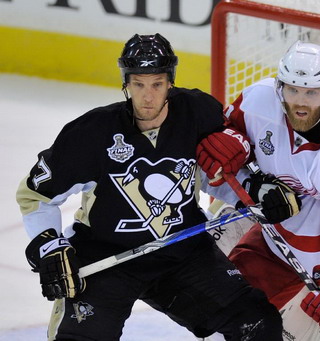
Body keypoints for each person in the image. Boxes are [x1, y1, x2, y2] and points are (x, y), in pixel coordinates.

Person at [16, 33, 284, 341]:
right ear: (126, 83)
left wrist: (257, 193)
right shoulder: (91, 133)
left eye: (156, 84)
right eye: (139, 84)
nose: (147, 97)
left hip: (182, 252)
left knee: (258, 322)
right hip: (107, 257)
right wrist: (49, 245)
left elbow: (218, 175)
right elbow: (34, 194)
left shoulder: (197, 113)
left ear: (170, 82)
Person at [198, 40, 320, 341]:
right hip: (280, 240)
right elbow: (227, 145)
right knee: (228, 309)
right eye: (293, 90)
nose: (301, 102)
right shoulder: (256, 102)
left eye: (311, 92)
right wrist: (235, 145)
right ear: (279, 87)